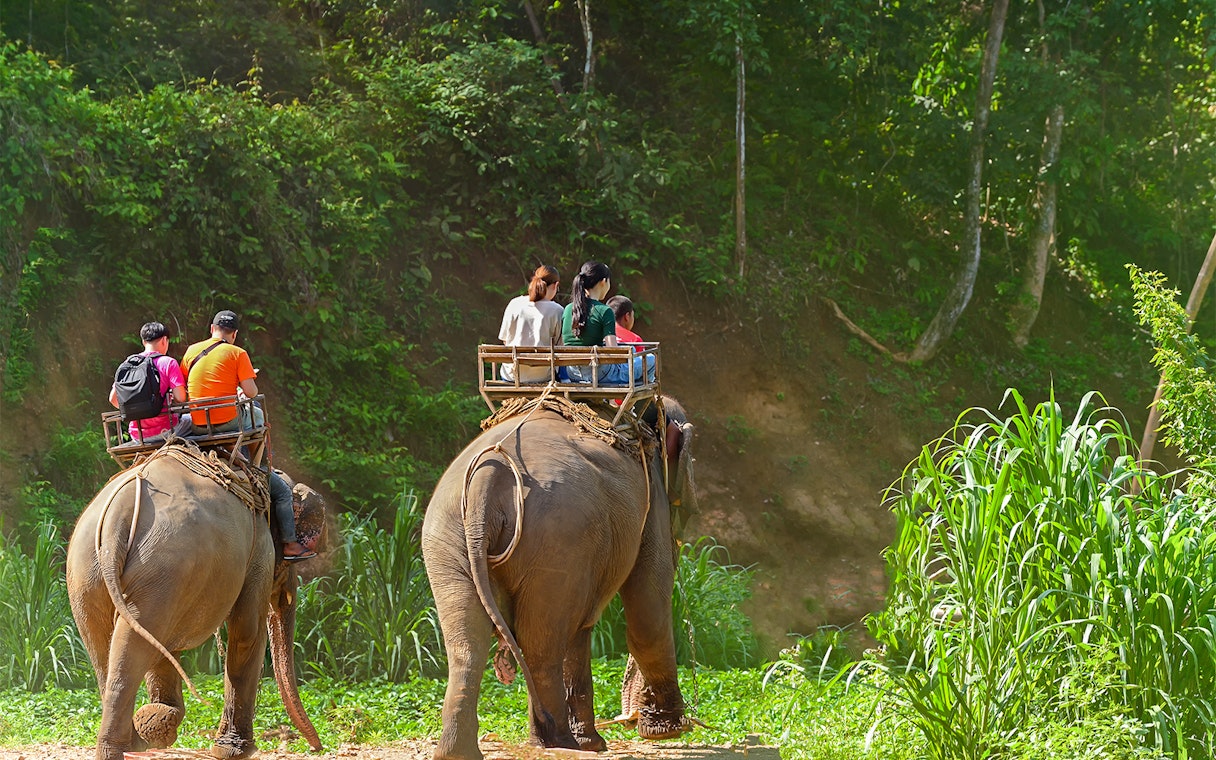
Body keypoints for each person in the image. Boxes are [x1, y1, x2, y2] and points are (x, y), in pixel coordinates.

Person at [182, 310, 314, 561]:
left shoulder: (191, 351)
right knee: (256, 413)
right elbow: (251, 392)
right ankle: (260, 466)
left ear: (212, 329)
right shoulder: (237, 353)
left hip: (199, 423)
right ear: (234, 334)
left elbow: (189, 384)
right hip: (225, 422)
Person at [561, 262, 655, 384]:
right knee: (651, 359)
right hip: (599, 374)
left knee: (630, 349)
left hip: (573, 373)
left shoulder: (568, 309)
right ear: (603, 282)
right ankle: (640, 400)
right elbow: (613, 352)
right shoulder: (604, 311)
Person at [109, 321, 188, 444]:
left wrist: (136, 409)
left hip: (137, 435)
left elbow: (113, 399)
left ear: (144, 342)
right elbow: (181, 397)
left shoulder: (129, 363)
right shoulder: (168, 363)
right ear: (164, 340)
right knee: (192, 420)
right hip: (167, 430)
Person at [498, 265, 564, 383]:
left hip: (512, 376)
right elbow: (560, 346)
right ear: (556, 285)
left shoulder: (514, 304)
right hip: (543, 376)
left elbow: (505, 340)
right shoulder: (557, 310)